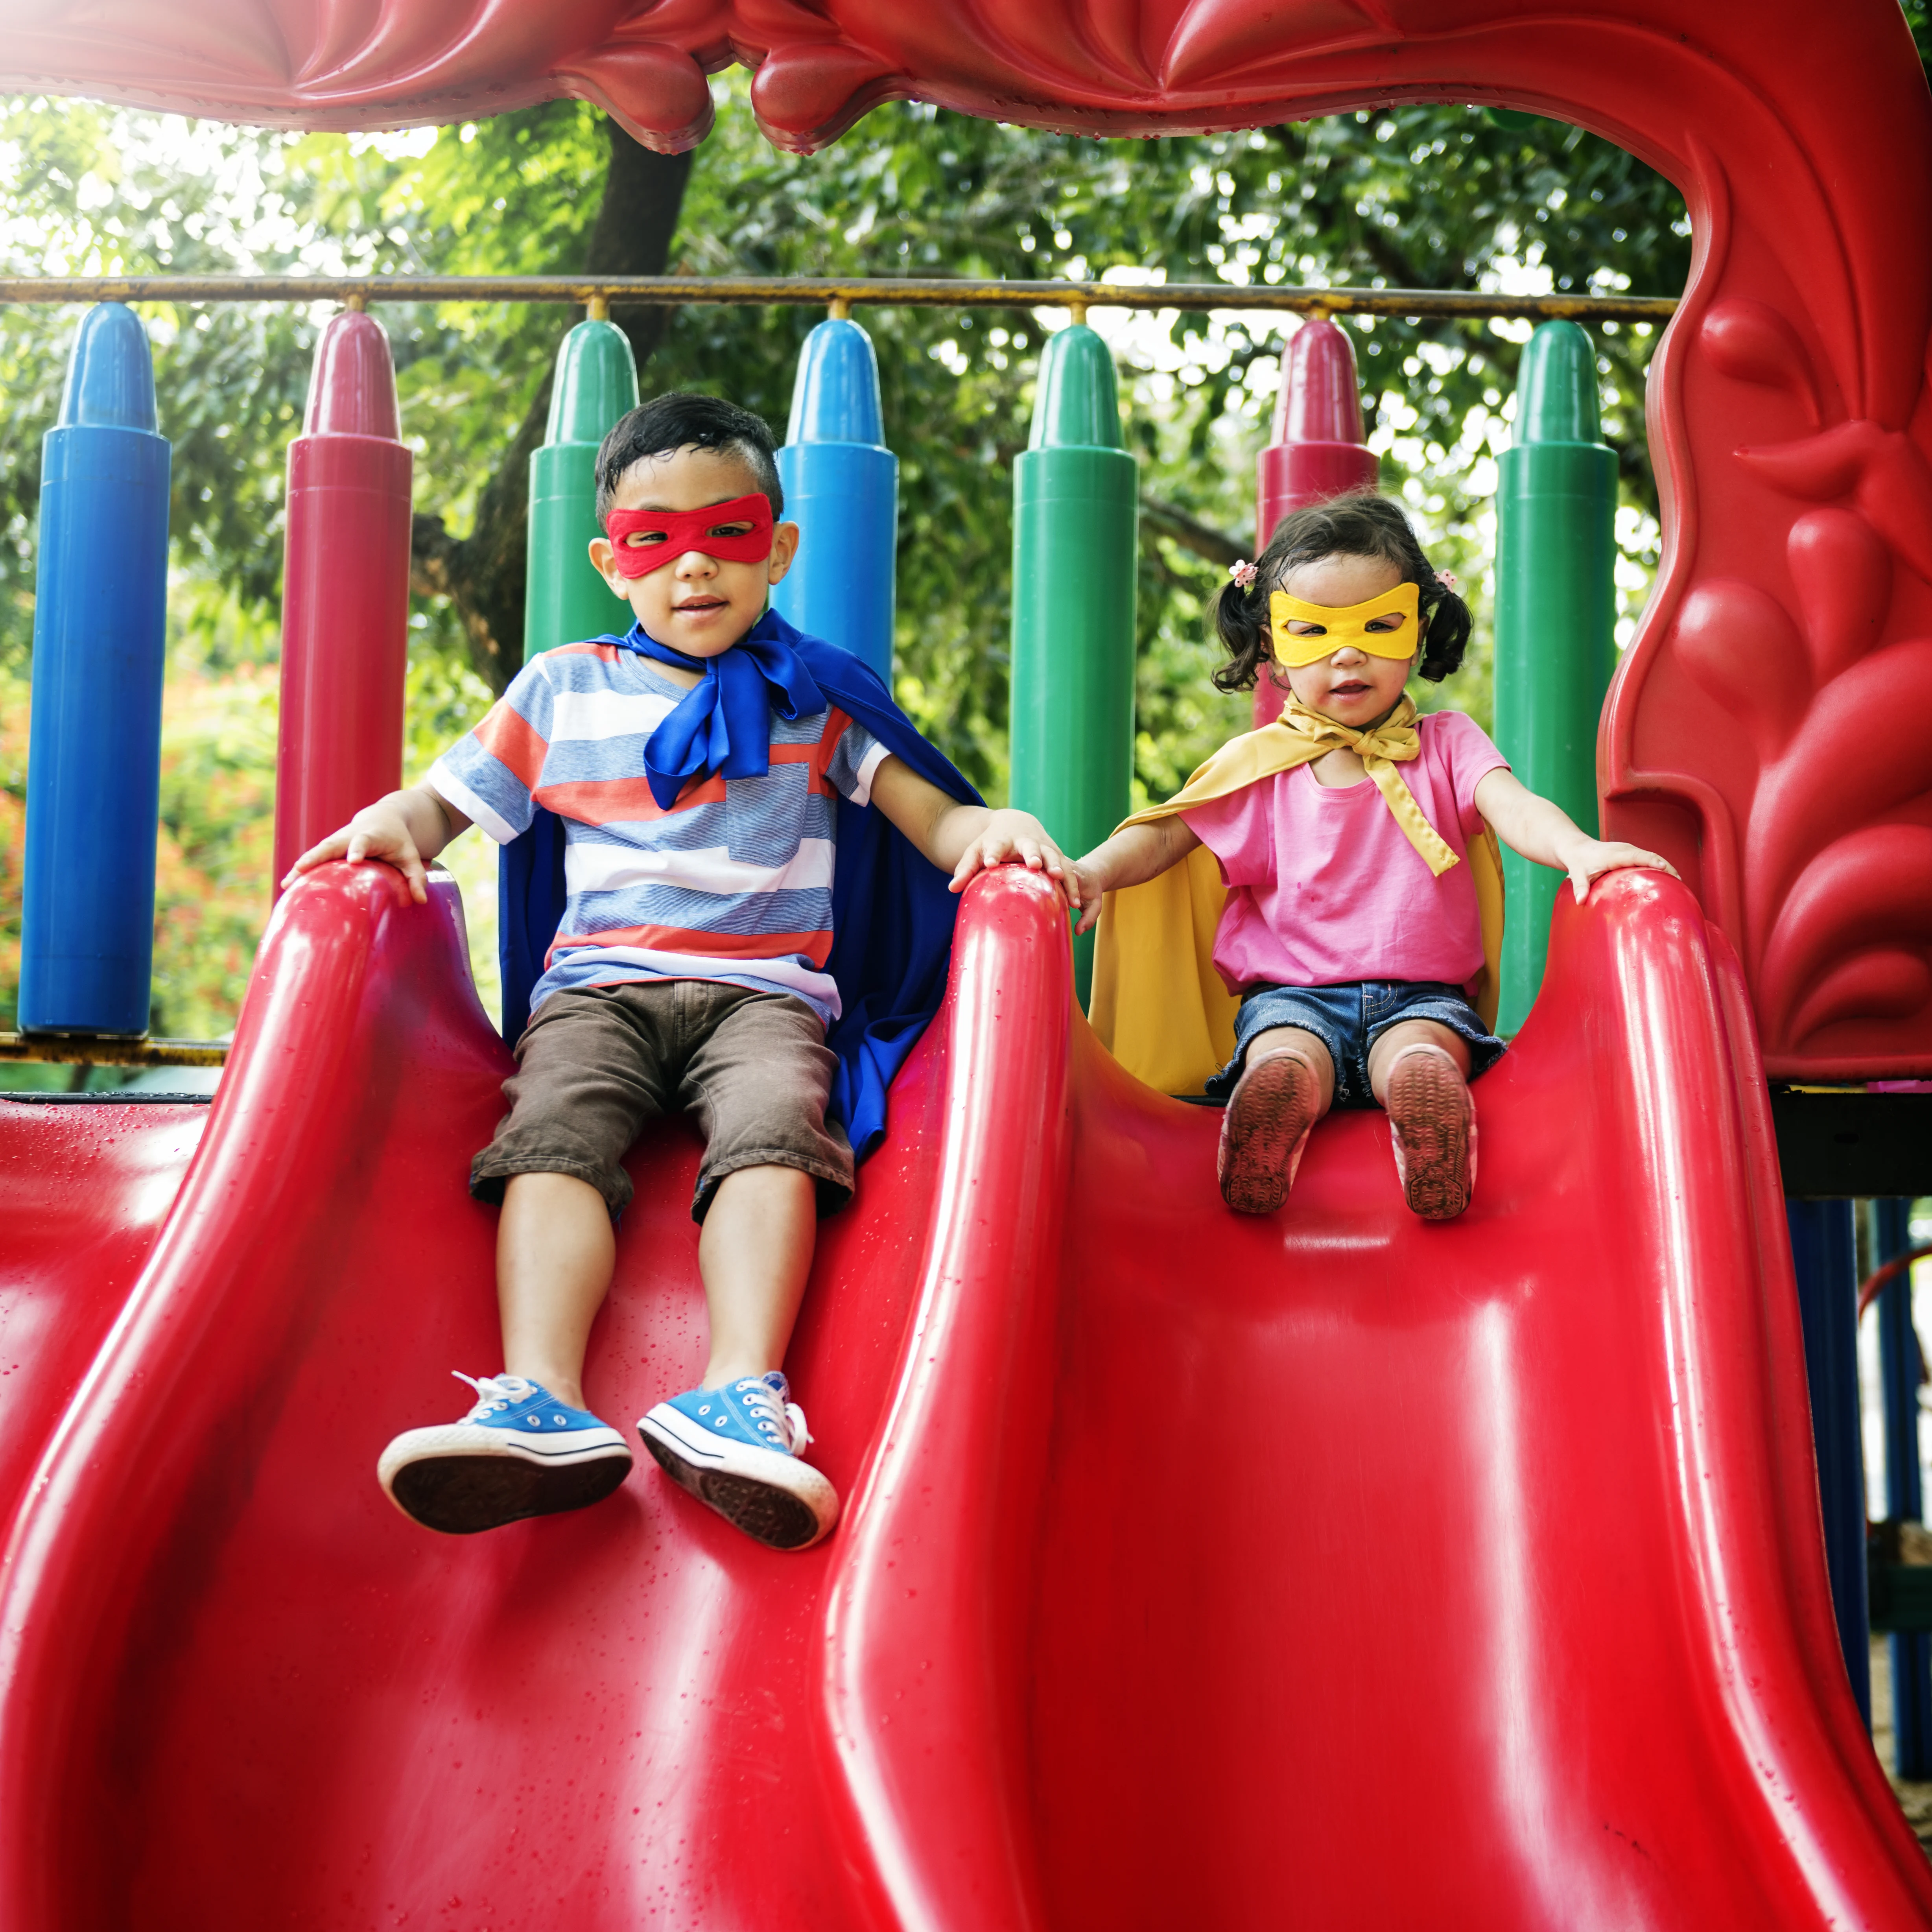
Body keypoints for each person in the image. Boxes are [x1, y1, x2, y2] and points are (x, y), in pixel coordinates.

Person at [284, 393, 1072, 1549]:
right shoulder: (562, 689)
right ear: (613, 561)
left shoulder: (818, 697)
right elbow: (445, 804)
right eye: (657, 541)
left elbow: (930, 818)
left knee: (775, 1137)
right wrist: (392, 827)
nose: (693, 567)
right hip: (599, 989)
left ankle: (743, 1396)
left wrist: (990, 831)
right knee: (552, 1135)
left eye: (729, 533)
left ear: (779, 548)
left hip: (767, 995)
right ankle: (538, 1400)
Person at [1069, 494, 1673, 1221]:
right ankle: (1272, 1117)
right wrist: (1095, 869)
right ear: (1272, 648)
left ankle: (1429, 1123)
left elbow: (1509, 805)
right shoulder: (1262, 766)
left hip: (1424, 996)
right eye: (1313, 633)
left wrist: (1579, 849)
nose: (1347, 653)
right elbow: (1167, 835)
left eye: (1378, 626)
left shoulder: (1446, 745)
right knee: (1286, 1053)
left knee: (1420, 1053)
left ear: (1418, 632)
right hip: (1291, 994)